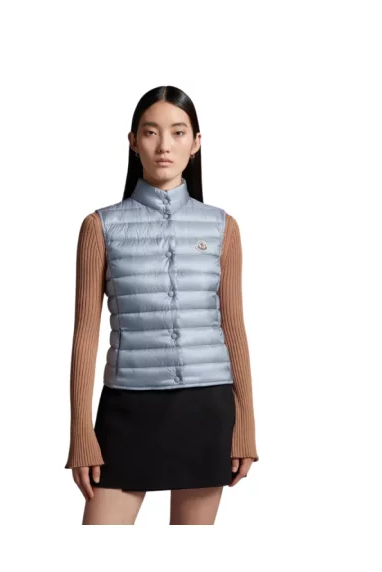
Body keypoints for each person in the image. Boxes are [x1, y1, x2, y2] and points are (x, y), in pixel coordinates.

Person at [65, 85, 259, 525]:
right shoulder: (100, 227)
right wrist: (81, 432)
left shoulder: (222, 227)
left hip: (206, 409)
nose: (164, 145)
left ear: (196, 142)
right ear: (133, 142)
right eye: (151, 132)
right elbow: (85, 334)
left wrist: (245, 425)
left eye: (178, 132)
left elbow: (234, 329)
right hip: (127, 410)